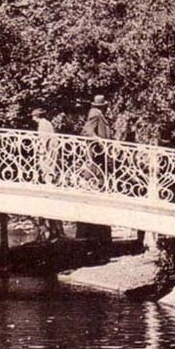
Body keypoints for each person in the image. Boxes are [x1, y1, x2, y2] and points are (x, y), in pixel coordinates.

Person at [78, 95, 113, 244]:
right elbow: (87, 131)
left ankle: (100, 237)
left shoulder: (99, 114)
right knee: (96, 191)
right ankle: (96, 237)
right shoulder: (95, 113)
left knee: (101, 193)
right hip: (95, 160)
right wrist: (99, 141)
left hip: (99, 160)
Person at [31, 108, 64, 241]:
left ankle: (48, 181)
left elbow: (44, 139)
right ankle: (55, 231)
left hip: (48, 151)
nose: (32, 118)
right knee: (48, 168)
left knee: (46, 167)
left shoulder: (42, 124)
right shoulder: (47, 123)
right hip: (52, 149)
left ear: (36, 116)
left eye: (33, 116)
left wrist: (41, 150)